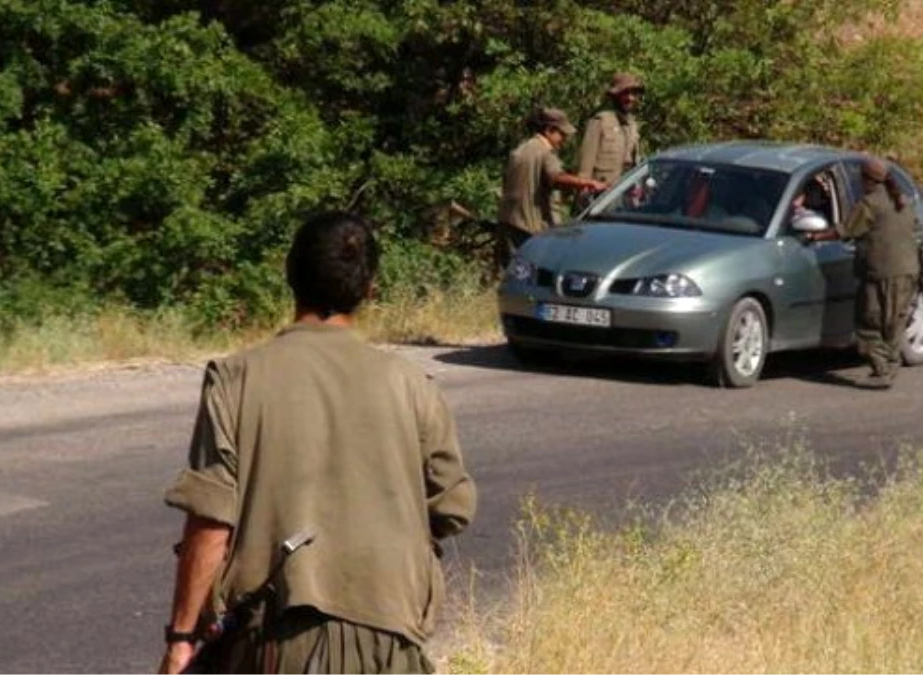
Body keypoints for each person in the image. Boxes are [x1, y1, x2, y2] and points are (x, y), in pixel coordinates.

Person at [158, 212, 477, 674]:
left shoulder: (236, 380)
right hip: (391, 642)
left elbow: (211, 523)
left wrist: (181, 640)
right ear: (370, 288)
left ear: (290, 275)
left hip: (278, 640)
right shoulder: (413, 386)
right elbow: (453, 508)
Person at [839, 157, 921, 389]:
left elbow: (846, 230)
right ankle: (892, 364)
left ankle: (881, 370)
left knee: (868, 322)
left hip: (880, 273)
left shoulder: (870, 204)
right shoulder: (902, 201)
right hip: (908, 271)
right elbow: (915, 228)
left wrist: (816, 235)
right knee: (894, 321)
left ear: (867, 179)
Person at [496, 107, 607, 272]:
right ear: (549, 130)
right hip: (529, 228)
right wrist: (588, 183)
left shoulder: (521, 150)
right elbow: (556, 177)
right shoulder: (545, 152)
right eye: (562, 134)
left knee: (511, 275)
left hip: (508, 222)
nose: (563, 139)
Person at [576, 72, 645, 187]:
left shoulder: (632, 125)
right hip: (601, 191)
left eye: (633, 93)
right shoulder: (601, 121)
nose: (630, 98)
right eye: (625, 93)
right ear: (616, 95)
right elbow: (586, 164)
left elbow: (634, 161)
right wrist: (584, 188)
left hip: (624, 191)